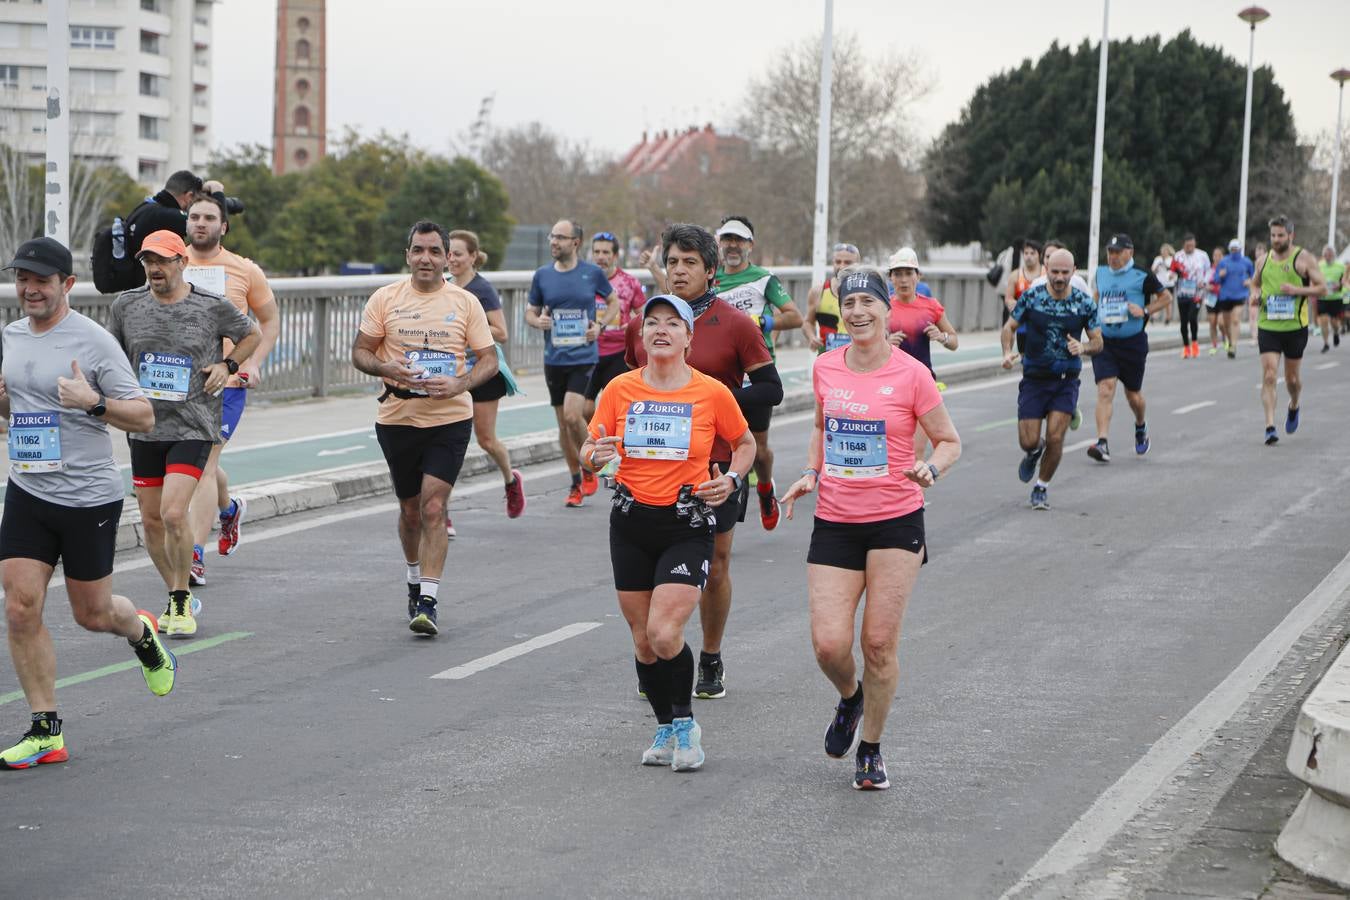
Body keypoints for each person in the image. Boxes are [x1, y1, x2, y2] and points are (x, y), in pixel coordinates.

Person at [779, 266, 961, 790]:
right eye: (848, 302)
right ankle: (851, 697)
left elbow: (949, 440)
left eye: (867, 302)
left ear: (886, 310)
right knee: (829, 646)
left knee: (879, 643)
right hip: (836, 519)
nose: (857, 311)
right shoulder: (826, 367)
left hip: (897, 520)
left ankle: (872, 748)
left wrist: (933, 467)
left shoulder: (912, 374)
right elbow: (820, 426)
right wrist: (813, 472)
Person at [0, 237, 177, 770]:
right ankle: (45, 729)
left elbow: (144, 417)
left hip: (87, 498)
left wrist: (94, 403)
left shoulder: (95, 342)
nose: (29, 289)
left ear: (66, 286)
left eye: (41, 281)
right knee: (19, 605)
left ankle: (140, 631)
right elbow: (18, 407)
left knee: (93, 614)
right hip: (28, 488)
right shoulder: (11, 335)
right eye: (22, 279)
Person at [584, 294, 755, 773]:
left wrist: (733, 478)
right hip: (631, 522)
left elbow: (744, 443)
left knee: (664, 633)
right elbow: (591, 446)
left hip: (687, 521)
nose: (661, 330)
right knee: (642, 640)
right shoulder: (619, 390)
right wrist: (591, 457)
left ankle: (686, 726)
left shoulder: (711, 392)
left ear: (688, 337)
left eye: (672, 323)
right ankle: (664, 726)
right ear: (641, 337)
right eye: (652, 323)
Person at [624, 223, 781, 701]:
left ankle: (710, 656)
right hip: (653, 469)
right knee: (650, 564)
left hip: (716, 469)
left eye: (690, 263)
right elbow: (629, 388)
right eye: (672, 262)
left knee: (715, 561)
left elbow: (771, 390)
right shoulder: (646, 324)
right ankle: (654, 653)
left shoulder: (736, 324)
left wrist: (712, 400)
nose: (679, 271)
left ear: (711, 271)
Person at [108, 230, 259, 637]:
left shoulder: (210, 307)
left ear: (181, 263)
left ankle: (178, 600)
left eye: (162, 261)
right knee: (152, 522)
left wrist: (228, 367)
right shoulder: (126, 305)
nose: (155, 269)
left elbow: (252, 334)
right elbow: (112, 357)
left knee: (175, 513)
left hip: (193, 423)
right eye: (148, 262)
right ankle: (178, 593)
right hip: (144, 427)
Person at [351, 221, 497, 634]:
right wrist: (384, 366)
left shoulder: (465, 302)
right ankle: (414, 579)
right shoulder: (386, 298)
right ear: (408, 255)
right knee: (410, 511)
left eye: (435, 251)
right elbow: (360, 352)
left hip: (449, 417)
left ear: (447, 257)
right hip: (397, 417)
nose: (426, 259)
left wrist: (460, 382)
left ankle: (429, 600)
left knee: (435, 507)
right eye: (419, 250)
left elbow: (488, 358)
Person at [182, 191, 280, 587]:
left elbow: (269, 321)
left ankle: (193, 555)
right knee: (201, 464)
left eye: (209, 218)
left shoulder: (244, 270)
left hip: (228, 380)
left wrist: (252, 362)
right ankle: (229, 508)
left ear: (224, 226)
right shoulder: (171, 263)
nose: (200, 223)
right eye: (194, 217)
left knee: (202, 465)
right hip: (177, 384)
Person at [712, 215, 800, 531]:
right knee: (721, 447)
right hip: (723, 374)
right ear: (719, 244)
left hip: (757, 372)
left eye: (739, 240)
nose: (732, 246)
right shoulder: (710, 279)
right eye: (727, 240)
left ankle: (764, 489)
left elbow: (796, 317)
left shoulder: (764, 279)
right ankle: (721, 516)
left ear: (750, 245)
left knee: (759, 451)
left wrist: (764, 323)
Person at [1001, 248, 1103, 510]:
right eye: (1054, 272)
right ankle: (1035, 451)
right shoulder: (1033, 297)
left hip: (1065, 379)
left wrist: (1084, 348)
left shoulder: (1084, 303)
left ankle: (1041, 487)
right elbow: (1009, 327)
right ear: (1047, 271)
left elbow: (1098, 341)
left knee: (1056, 437)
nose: (1059, 277)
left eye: (1064, 272)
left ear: (1073, 272)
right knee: (1028, 441)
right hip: (1034, 378)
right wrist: (1006, 353)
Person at [525, 219, 614, 507]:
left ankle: (590, 462)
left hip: (583, 356)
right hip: (554, 358)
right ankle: (577, 481)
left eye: (560, 238)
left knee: (573, 416)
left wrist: (599, 327)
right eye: (552, 236)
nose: (554, 242)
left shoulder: (592, 273)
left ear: (575, 243)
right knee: (563, 426)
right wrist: (538, 321)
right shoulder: (542, 275)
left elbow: (614, 303)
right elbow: (530, 311)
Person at [448, 229, 526, 532]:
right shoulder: (445, 288)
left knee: (486, 440)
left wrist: (472, 326)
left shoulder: (482, 289)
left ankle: (510, 480)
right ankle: (442, 511)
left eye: (458, 254)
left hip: (483, 370)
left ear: (472, 256)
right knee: (450, 443)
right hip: (453, 373)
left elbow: (502, 332)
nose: (452, 259)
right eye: (449, 253)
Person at [1086, 234, 1172, 462]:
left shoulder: (1142, 275)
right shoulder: (1101, 273)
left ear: (1129, 252)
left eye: (1117, 252)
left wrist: (1145, 311)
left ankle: (1140, 425)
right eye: (1110, 252)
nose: (1112, 256)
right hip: (1105, 342)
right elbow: (1097, 296)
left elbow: (1166, 297)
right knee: (1105, 388)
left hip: (1132, 343)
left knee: (1133, 396)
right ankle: (1102, 442)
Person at [1250, 216, 1328, 445]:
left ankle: (1294, 404)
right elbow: (1255, 283)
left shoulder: (1303, 258)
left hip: (1295, 327)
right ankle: (1270, 426)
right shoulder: (1263, 261)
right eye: (1273, 235)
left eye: (1280, 235)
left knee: (1292, 379)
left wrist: (1296, 290)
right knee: (1270, 374)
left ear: (1290, 235)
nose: (1276, 240)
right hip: (1268, 326)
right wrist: (1254, 295)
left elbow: (1323, 288)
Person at [584, 230, 646, 413]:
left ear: (615, 256)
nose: (600, 257)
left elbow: (643, 315)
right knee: (584, 410)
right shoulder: (583, 281)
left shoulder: (629, 282)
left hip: (618, 353)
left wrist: (632, 325)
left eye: (605, 253)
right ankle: (593, 439)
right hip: (589, 352)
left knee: (614, 408)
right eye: (596, 252)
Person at [803, 242, 861, 352]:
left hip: (858, 359)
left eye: (848, 262)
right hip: (827, 358)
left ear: (858, 264)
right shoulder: (818, 291)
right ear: (833, 263)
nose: (842, 266)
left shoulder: (866, 294)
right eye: (838, 262)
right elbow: (807, 322)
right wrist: (812, 337)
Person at [1214, 239, 1254, 359]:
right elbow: (1215, 279)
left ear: (1240, 250)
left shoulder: (1246, 262)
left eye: (1236, 250)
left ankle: (1234, 345)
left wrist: (1249, 281)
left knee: (1235, 319)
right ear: (1229, 250)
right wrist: (1220, 275)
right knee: (1226, 324)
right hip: (1225, 295)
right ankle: (1230, 341)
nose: (1234, 252)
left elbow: (1254, 277)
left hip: (1240, 294)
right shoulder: (1223, 262)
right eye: (1232, 250)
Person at [1004, 240, 1044, 355]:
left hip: (1042, 324)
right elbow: (1008, 298)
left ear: (1039, 255)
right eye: (1026, 253)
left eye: (1032, 253)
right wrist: (1012, 303)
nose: (1028, 257)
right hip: (1023, 325)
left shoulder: (1046, 273)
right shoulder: (1015, 275)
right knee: (1024, 358)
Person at [1173, 234, 1210, 358]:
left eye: (1192, 245)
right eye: (1187, 245)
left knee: (1192, 317)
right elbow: (1172, 271)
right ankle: (1186, 347)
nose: (1190, 247)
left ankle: (1194, 342)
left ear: (1195, 244)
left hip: (1197, 293)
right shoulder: (1178, 256)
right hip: (1182, 292)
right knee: (1183, 321)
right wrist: (1171, 276)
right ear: (1183, 245)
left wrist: (1204, 281)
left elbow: (1209, 271)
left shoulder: (1202, 255)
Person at [1316, 246, 1345, 353]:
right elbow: (1315, 278)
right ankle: (1326, 343)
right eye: (1325, 255)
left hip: (1336, 298)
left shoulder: (1341, 266)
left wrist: (1340, 285)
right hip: (1323, 297)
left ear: (1334, 255)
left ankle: (1336, 332)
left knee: (1334, 322)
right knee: (1323, 321)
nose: (1327, 257)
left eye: (1329, 255)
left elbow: (1346, 279)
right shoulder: (1319, 266)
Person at [1150, 243, 1179, 326]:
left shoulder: (1172, 259)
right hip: (1159, 283)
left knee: (1168, 302)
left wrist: (1170, 272)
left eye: (1165, 251)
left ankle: (1168, 318)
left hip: (1169, 283)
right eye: (1162, 251)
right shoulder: (1157, 259)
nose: (1163, 253)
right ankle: (1154, 316)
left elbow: (1175, 271)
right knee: (1157, 299)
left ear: (1168, 251)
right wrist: (1158, 266)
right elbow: (1153, 271)